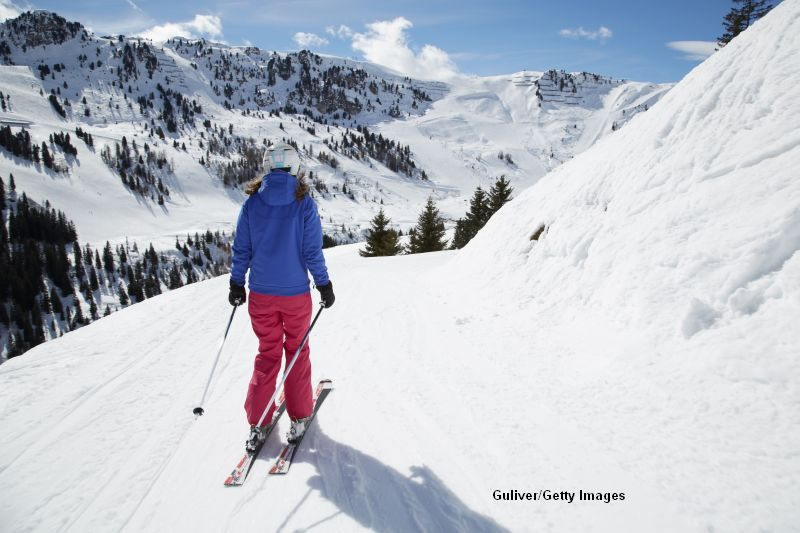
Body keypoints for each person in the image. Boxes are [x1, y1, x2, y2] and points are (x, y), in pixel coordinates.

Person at [229, 142, 335, 452]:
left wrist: (237, 284)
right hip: (295, 296)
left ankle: (257, 422)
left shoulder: (252, 205)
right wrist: (324, 285)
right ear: (295, 168)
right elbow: (311, 252)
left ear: (266, 167)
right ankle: (299, 416)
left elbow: (242, 250)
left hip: (261, 295)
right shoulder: (304, 204)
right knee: (297, 353)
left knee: (268, 353)